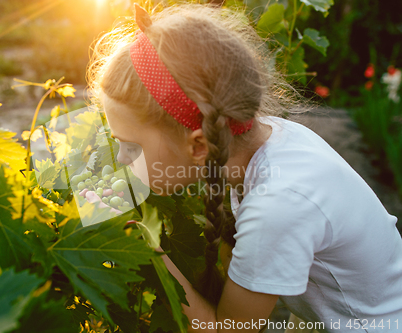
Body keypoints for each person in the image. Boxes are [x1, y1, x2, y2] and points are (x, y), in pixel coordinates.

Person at [86, 3, 402, 332]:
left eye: (130, 146)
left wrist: (146, 250)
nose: (122, 159)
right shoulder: (273, 138)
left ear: (198, 146)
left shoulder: (277, 205)